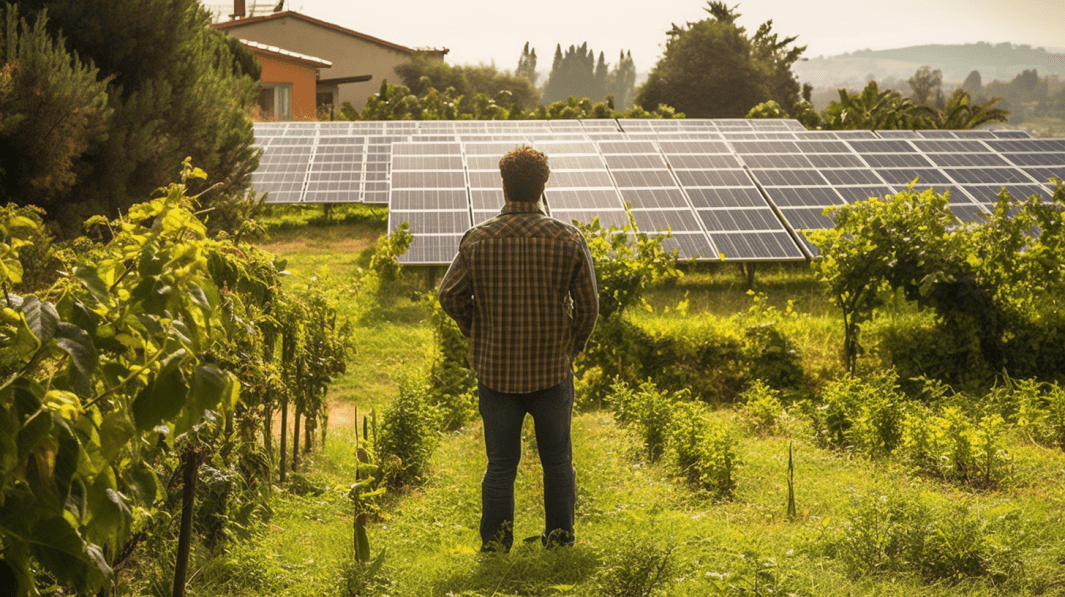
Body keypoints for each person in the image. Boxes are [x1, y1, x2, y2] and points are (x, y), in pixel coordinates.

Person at [437, 145, 599, 552]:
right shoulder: (568, 238)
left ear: (504, 184)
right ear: (543, 185)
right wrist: (571, 347)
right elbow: (589, 306)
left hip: (496, 372)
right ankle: (559, 542)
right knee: (558, 463)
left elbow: (449, 296)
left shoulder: (478, 238)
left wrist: (478, 332)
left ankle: (495, 545)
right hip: (550, 371)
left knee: (500, 466)